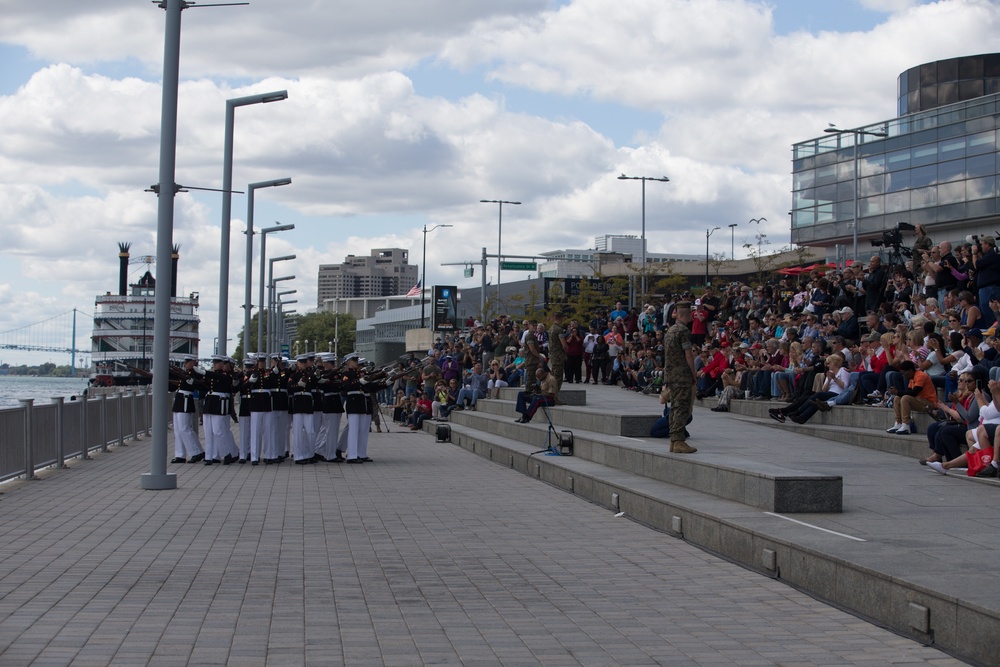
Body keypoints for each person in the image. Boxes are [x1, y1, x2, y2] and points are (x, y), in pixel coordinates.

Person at [663, 302, 697, 453]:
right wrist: (693, 374)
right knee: (682, 407)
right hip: (682, 374)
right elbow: (688, 355)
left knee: (675, 407)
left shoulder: (670, 331)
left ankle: (673, 440)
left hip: (670, 374)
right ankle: (678, 440)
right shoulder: (683, 331)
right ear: (688, 315)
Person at [170, 355, 205, 464]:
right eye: (185, 361)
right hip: (179, 400)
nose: (185, 363)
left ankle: (197, 451)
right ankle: (180, 454)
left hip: (186, 400)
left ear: (193, 362)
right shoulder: (183, 373)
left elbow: (202, 386)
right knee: (178, 430)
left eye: (187, 361)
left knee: (185, 428)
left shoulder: (195, 374)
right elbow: (174, 387)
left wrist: (193, 381)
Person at [886, 360, 937, 435]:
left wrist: (897, 392)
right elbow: (908, 391)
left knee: (905, 398)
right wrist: (897, 393)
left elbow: (914, 393)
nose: (904, 377)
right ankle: (898, 423)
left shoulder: (921, 376)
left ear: (910, 371)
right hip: (919, 400)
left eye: (905, 374)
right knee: (897, 398)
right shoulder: (912, 378)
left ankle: (906, 424)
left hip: (929, 403)